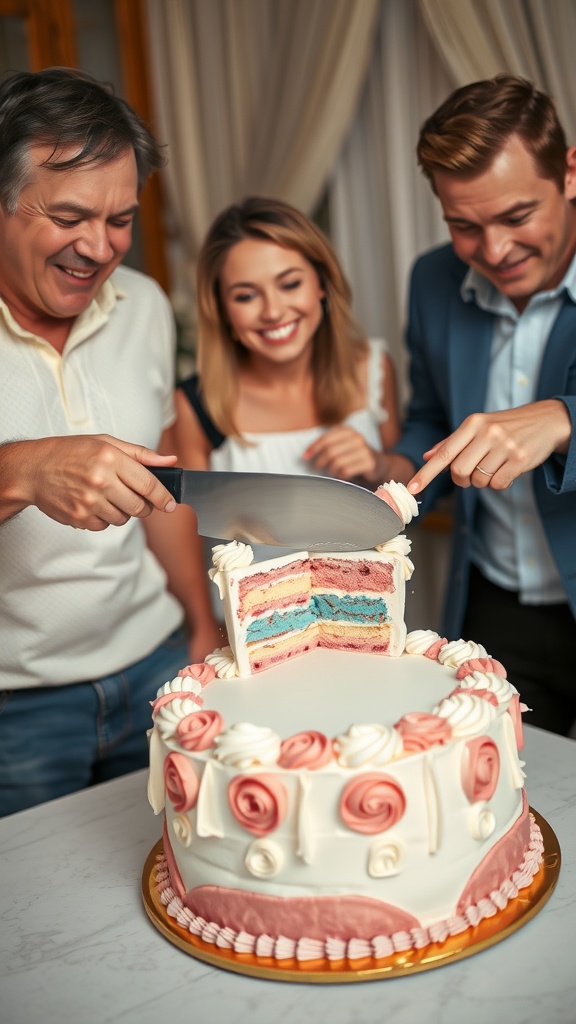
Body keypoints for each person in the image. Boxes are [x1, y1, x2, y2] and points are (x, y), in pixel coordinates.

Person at [0, 68, 218, 817]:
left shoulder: (147, 307)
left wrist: (199, 624)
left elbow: (163, 492)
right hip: (16, 710)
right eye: (69, 217)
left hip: (156, 662)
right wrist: (23, 470)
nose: (98, 248)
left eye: (120, 219)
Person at [384, 74, 576, 736]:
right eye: (465, 226)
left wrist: (565, 418)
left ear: (571, 173)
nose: (494, 251)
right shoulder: (432, 279)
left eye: (517, 217)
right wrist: (397, 469)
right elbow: (433, 415)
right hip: (492, 607)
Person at [173, 195, 402, 631]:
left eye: (289, 283)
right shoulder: (195, 405)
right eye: (245, 295)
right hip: (256, 631)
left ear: (321, 283)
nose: (274, 311)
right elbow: (184, 535)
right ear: (222, 310)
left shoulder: (373, 368)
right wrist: (203, 628)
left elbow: (402, 503)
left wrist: (377, 466)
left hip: (367, 619)